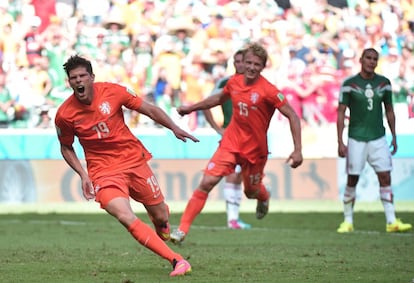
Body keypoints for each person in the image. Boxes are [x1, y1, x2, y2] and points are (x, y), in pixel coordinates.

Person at [54, 55, 198, 276]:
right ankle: (177, 260)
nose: (79, 81)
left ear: (92, 77)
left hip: (133, 161)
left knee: (160, 216)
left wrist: (173, 127)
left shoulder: (113, 92)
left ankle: (162, 222)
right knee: (124, 215)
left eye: (83, 76)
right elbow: (66, 147)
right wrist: (83, 174)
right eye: (74, 78)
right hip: (103, 172)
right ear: (69, 82)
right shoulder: (65, 115)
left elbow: (148, 109)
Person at [170, 43, 303, 244]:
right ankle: (181, 229)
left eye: (256, 64)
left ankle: (264, 196)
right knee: (206, 182)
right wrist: (191, 108)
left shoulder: (269, 91)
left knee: (251, 191)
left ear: (263, 66)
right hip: (230, 144)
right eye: (248, 62)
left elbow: (292, 115)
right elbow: (217, 98)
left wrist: (298, 150)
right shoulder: (234, 82)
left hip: (255, 151)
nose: (250, 67)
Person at [336, 48, 412, 233]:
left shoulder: (384, 83)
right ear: (361, 60)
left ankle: (391, 221)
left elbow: (389, 111)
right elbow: (340, 112)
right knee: (353, 178)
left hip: (378, 137)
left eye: (374, 59)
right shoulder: (349, 84)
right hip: (356, 138)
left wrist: (394, 136)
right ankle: (348, 221)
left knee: (385, 176)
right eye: (368, 58)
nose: (371, 61)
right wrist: (340, 141)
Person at [203, 49, 251, 229]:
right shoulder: (225, 82)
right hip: (232, 137)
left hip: (252, 139)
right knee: (232, 174)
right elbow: (206, 104)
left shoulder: (257, 84)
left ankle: (235, 217)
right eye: (237, 61)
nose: (240, 65)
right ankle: (232, 219)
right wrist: (217, 129)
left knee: (243, 177)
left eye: (243, 61)